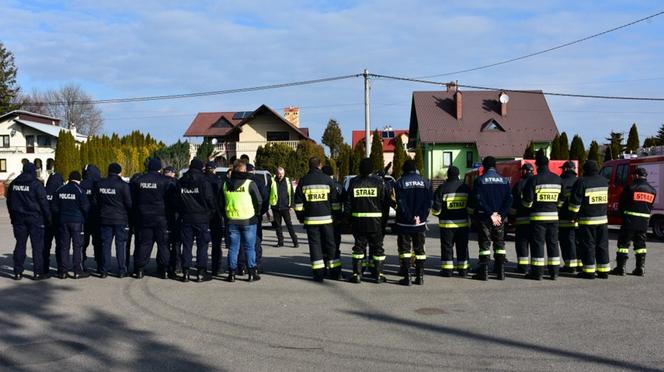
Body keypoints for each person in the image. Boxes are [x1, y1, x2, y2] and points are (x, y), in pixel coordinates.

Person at [294, 157, 340, 282]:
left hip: (311, 221)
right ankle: (334, 271)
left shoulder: (303, 181)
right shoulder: (327, 180)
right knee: (331, 245)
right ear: (319, 165)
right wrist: (336, 217)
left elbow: (297, 204)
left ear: (309, 165)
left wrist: (301, 218)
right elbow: (335, 203)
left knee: (315, 246)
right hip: (327, 220)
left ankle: (319, 273)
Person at [468, 156, 512, 281]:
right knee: (499, 243)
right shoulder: (504, 181)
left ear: (484, 166)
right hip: (499, 219)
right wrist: (500, 215)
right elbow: (509, 200)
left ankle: (484, 272)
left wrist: (490, 214)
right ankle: (500, 272)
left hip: (484, 218)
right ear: (495, 166)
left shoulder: (480, 180)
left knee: (485, 244)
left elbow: (478, 200)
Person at [219, 159, 262, 282]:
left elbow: (221, 203)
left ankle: (231, 274)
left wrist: (226, 215)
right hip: (248, 219)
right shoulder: (249, 183)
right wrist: (257, 213)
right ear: (243, 170)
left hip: (232, 219)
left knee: (233, 248)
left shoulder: (225, 184)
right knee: (249, 247)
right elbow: (258, 200)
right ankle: (251, 273)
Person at [521, 155, 563, 280]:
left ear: (537, 166)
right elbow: (562, 199)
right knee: (553, 244)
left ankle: (537, 273)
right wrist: (556, 208)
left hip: (538, 218)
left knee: (538, 244)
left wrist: (525, 205)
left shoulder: (534, 180)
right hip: (554, 217)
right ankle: (554, 272)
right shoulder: (557, 179)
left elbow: (528, 202)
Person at [345, 158, 387, 283]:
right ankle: (378, 275)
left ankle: (357, 274)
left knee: (358, 248)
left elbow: (348, 204)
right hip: (376, 223)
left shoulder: (353, 182)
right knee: (377, 248)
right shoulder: (379, 182)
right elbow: (385, 203)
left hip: (358, 223)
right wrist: (383, 222)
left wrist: (347, 220)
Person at [7, 162, 51, 280]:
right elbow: (43, 203)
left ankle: (17, 272)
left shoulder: (14, 183)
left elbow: (9, 202)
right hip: (35, 219)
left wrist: (12, 217)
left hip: (18, 219)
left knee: (20, 244)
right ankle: (38, 272)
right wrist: (48, 218)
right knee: (37, 246)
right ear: (32, 171)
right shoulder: (36, 184)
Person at [132, 158, 173, 279]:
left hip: (144, 216)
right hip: (161, 217)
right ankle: (165, 270)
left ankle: (140, 269)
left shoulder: (139, 180)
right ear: (159, 168)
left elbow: (134, 199)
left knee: (145, 244)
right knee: (163, 245)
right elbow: (171, 200)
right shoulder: (165, 181)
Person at [568, 160, 610, 279]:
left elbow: (575, 203)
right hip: (602, 220)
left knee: (588, 245)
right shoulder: (604, 181)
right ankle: (603, 271)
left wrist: (572, 217)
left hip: (588, 220)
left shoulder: (582, 182)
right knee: (602, 245)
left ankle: (589, 271)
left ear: (585, 169)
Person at [394, 159, 432, 286]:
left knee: (405, 250)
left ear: (404, 169)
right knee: (419, 250)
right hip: (419, 223)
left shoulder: (400, 183)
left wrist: (410, 217)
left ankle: (407, 277)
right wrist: (419, 217)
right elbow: (428, 203)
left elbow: (401, 203)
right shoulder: (425, 182)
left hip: (404, 223)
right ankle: (420, 277)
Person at [176, 158, 216, 282]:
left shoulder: (181, 181)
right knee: (202, 246)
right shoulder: (204, 181)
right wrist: (210, 213)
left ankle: (186, 272)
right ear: (200, 168)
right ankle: (200, 272)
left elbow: (176, 200)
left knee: (187, 245)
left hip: (186, 217)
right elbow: (210, 200)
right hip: (202, 218)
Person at [612, 167, 656, 276]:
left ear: (636, 175)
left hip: (629, 221)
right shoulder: (652, 190)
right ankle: (640, 268)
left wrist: (622, 215)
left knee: (623, 245)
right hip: (643, 223)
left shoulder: (630, 188)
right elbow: (650, 206)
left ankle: (620, 268)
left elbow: (621, 204)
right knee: (640, 245)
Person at [432, 166, 471, 277]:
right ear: (458, 175)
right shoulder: (465, 188)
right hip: (463, 224)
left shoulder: (442, 188)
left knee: (447, 247)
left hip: (446, 225)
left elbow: (436, 210)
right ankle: (463, 270)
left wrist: (439, 215)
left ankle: (447, 270)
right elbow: (472, 207)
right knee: (462, 247)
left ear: (448, 175)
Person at [96, 163, 132, 278]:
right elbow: (129, 203)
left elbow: (96, 201)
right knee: (120, 244)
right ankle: (121, 270)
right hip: (120, 219)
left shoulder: (100, 184)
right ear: (119, 172)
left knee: (105, 245)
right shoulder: (123, 185)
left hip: (104, 218)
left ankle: (104, 270)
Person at [53, 171, 90, 279]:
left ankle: (63, 271)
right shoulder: (79, 190)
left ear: (69, 178)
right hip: (77, 222)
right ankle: (77, 271)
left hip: (63, 221)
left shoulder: (60, 189)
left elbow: (54, 207)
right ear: (79, 180)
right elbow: (86, 207)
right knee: (77, 247)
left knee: (64, 246)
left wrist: (61, 215)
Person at [509, 163, 534, 274]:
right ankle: (535, 267)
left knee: (522, 244)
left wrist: (512, 217)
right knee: (535, 244)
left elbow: (513, 203)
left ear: (524, 171)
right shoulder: (536, 182)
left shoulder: (519, 184)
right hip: (536, 221)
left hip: (522, 220)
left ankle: (523, 267)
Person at [558, 161, 580, 273]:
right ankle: (580, 264)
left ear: (566, 169)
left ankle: (570, 265)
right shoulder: (580, 181)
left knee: (567, 242)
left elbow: (559, 201)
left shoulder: (562, 182)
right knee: (578, 241)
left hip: (565, 218)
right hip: (579, 219)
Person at [322, 164, 344, 279]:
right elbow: (343, 203)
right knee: (335, 246)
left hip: (323, 221)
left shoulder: (321, 186)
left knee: (324, 246)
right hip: (335, 222)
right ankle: (336, 271)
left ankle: (324, 268)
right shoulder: (338, 186)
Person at [204, 161, 224, 277]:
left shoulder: (201, 180)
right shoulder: (219, 180)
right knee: (216, 243)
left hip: (204, 214)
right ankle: (216, 267)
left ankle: (202, 266)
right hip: (216, 214)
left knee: (203, 243)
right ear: (215, 169)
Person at [80, 164, 102, 272]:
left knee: (83, 243)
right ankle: (99, 265)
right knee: (98, 243)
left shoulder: (80, 185)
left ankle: (81, 262)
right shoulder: (98, 184)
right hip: (97, 218)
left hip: (83, 219)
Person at [270, 167, 298, 248]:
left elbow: (291, 194)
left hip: (285, 207)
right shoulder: (272, 181)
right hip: (275, 207)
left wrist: (292, 205)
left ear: (284, 174)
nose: (280, 175)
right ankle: (280, 242)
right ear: (276, 173)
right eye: (279, 174)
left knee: (289, 225)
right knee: (278, 226)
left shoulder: (287, 181)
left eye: (281, 174)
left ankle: (295, 242)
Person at [44, 171, 64, 275]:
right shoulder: (61, 192)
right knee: (60, 246)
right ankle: (61, 269)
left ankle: (44, 267)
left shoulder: (43, 190)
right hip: (58, 222)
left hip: (45, 223)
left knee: (45, 246)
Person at [163, 166, 181, 277]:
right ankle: (176, 266)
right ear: (173, 173)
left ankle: (163, 266)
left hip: (164, 215)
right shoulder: (177, 183)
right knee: (176, 243)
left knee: (164, 243)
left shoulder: (160, 182)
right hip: (175, 216)